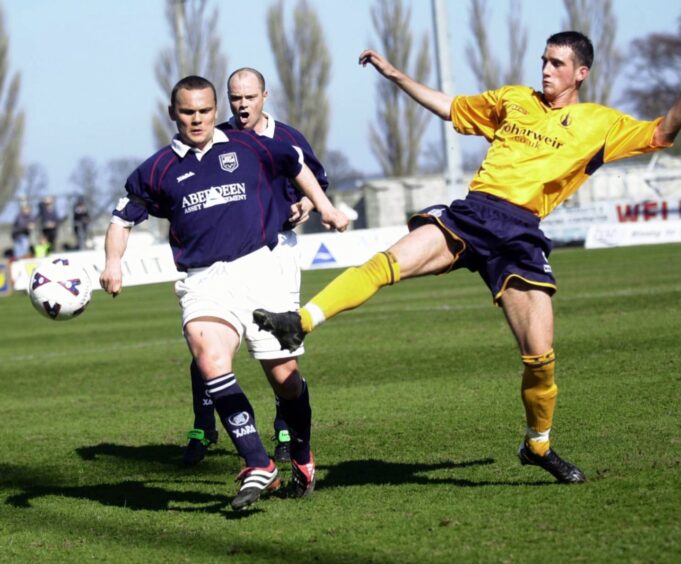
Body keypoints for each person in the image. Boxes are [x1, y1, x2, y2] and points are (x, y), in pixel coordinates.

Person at [254, 32, 681, 484]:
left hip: (520, 233)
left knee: (540, 358)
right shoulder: (514, 100)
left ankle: (538, 445)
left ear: (581, 73)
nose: (545, 70)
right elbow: (450, 107)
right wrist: (396, 74)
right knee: (387, 263)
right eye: (544, 60)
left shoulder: (599, 123)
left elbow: (662, 131)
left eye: (557, 63)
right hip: (474, 212)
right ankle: (299, 322)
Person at [100, 75, 348, 510]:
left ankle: (303, 453)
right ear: (172, 113)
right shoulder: (157, 168)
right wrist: (113, 262)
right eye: (187, 112)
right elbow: (122, 218)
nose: (196, 119)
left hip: (262, 270)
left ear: (216, 111)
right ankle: (257, 462)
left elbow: (296, 165)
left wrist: (323, 208)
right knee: (208, 354)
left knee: (285, 378)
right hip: (203, 280)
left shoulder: (249, 145)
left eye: (204, 111)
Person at [181, 67, 328, 468]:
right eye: (235, 98)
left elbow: (317, 178)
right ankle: (202, 423)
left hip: (278, 250)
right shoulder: (219, 137)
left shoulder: (287, 137)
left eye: (249, 98)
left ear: (265, 95)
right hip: (225, 259)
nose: (241, 106)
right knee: (207, 341)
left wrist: (309, 204)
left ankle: (286, 428)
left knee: (279, 347)